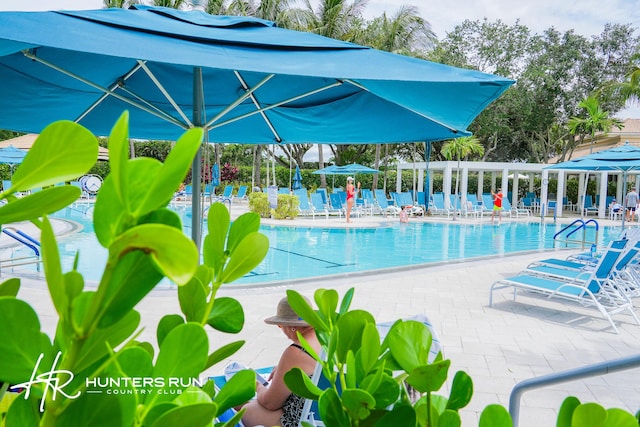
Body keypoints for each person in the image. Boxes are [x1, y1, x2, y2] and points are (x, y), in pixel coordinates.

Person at [240, 296, 321, 427]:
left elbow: (270, 403)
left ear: (291, 326)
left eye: (280, 325)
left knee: (244, 409)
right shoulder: (326, 338)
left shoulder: (296, 351)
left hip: (300, 421)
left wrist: (258, 386)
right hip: (325, 416)